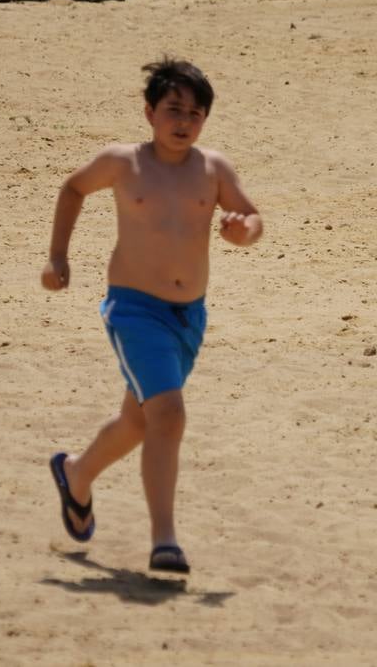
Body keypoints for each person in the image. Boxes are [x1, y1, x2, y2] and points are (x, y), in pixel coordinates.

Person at [42, 57, 264, 575]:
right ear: (149, 112)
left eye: (194, 112)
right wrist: (58, 255)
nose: (183, 121)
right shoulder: (124, 163)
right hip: (133, 310)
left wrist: (242, 231)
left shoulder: (213, 168)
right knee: (169, 415)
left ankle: (76, 475)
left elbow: (252, 217)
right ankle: (165, 541)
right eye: (172, 109)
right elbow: (72, 188)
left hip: (188, 318)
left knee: (139, 420)